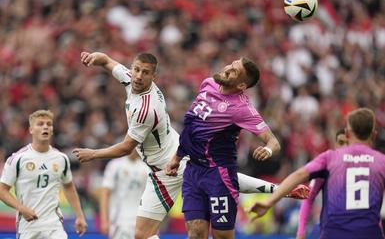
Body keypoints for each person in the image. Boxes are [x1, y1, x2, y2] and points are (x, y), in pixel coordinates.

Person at [74, 52, 308, 239]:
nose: (137, 76)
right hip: (166, 165)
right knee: (144, 235)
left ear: (153, 76)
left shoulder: (147, 109)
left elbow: (126, 148)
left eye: (144, 73)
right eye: (136, 70)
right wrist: (96, 58)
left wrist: (93, 154)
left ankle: (281, 189)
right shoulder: (140, 81)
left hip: (172, 165)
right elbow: (108, 62)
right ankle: (281, 189)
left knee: (216, 219)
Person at [165, 57, 282, 239]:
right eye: (231, 65)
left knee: (222, 235)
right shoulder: (208, 83)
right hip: (193, 170)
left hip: (218, 175)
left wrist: (267, 150)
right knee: (195, 232)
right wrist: (177, 158)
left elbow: (273, 142)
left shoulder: (241, 108)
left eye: (235, 71)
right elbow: (192, 127)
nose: (227, 69)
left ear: (242, 85)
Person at [249, 107, 385, 239]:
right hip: (370, 233)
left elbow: (297, 176)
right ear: (374, 135)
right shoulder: (381, 161)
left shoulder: (329, 158)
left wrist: (269, 202)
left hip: (334, 233)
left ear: (347, 134)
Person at [0, 110, 88, 239]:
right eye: (40, 124)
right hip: (28, 227)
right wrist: (22, 209)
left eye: (49, 124)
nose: (45, 127)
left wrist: (80, 216)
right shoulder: (18, 159)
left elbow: (69, 186)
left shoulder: (61, 158)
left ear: (52, 130)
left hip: (54, 226)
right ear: (31, 130)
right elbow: (2, 191)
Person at [296, 129, 348, 239]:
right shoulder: (326, 165)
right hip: (330, 232)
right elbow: (308, 198)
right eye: (341, 143)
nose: (344, 147)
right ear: (335, 144)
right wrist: (301, 232)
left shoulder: (363, 167)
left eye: (347, 143)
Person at [99, 151, 148, 239]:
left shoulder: (145, 168)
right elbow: (105, 193)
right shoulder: (115, 165)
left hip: (139, 222)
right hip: (118, 221)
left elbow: (149, 198)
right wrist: (104, 220)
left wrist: (152, 224)